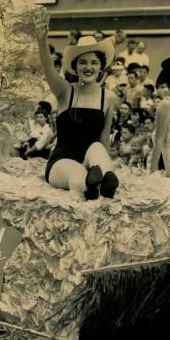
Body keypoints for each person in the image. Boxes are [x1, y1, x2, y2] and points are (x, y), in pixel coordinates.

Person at [37, 13, 120, 200]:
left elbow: (104, 137)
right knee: (78, 174)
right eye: (83, 62)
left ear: (101, 67)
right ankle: (89, 185)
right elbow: (48, 69)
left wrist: (107, 163)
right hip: (62, 161)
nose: (88, 67)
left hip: (93, 160)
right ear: (75, 66)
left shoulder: (108, 97)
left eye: (93, 62)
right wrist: (42, 41)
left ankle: (106, 179)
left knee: (97, 147)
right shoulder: (65, 91)